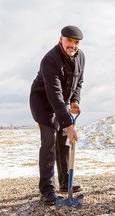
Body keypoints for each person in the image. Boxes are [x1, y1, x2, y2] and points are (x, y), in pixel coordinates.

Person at [29, 25, 85, 205]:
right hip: (43, 104)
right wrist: (69, 125)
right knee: (50, 142)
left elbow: (79, 82)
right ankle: (47, 190)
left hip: (61, 104)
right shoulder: (49, 60)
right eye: (69, 41)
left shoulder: (81, 57)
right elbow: (55, 95)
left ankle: (64, 182)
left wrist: (75, 100)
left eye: (76, 42)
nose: (73, 45)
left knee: (63, 141)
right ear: (61, 39)